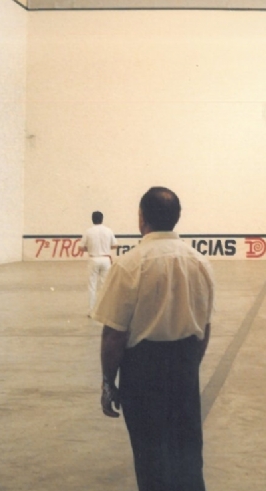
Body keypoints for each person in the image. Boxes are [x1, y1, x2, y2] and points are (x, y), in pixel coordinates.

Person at [92, 187, 214, 491]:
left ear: (141, 217)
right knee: (188, 451)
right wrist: (189, 367)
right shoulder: (199, 262)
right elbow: (205, 326)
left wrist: (108, 382)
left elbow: (113, 334)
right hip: (185, 366)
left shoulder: (129, 264)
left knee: (150, 455)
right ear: (177, 217)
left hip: (143, 371)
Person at [79, 210, 118, 314]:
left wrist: (90, 249)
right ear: (102, 219)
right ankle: (105, 310)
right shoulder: (108, 230)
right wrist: (105, 248)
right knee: (105, 285)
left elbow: (81, 248)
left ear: (92, 219)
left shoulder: (88, 231)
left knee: (92, 285)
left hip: (93, 259)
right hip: (106, 260)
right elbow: (115, 245)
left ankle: (92, 310)